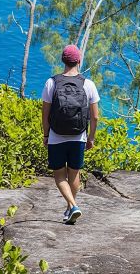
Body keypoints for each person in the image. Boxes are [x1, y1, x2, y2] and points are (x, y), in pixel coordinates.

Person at [41, 45, 100, 224]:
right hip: (78, 136)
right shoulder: (88, 84)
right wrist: (91, 138)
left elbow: (45, 114)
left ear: (63, 61)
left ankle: (72, 207)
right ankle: (71, 208)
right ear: (79, 61)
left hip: (56, 136)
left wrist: (46, 135)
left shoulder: (51, 83)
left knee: (59, 175)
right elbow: (95, 116)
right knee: (74, 173)